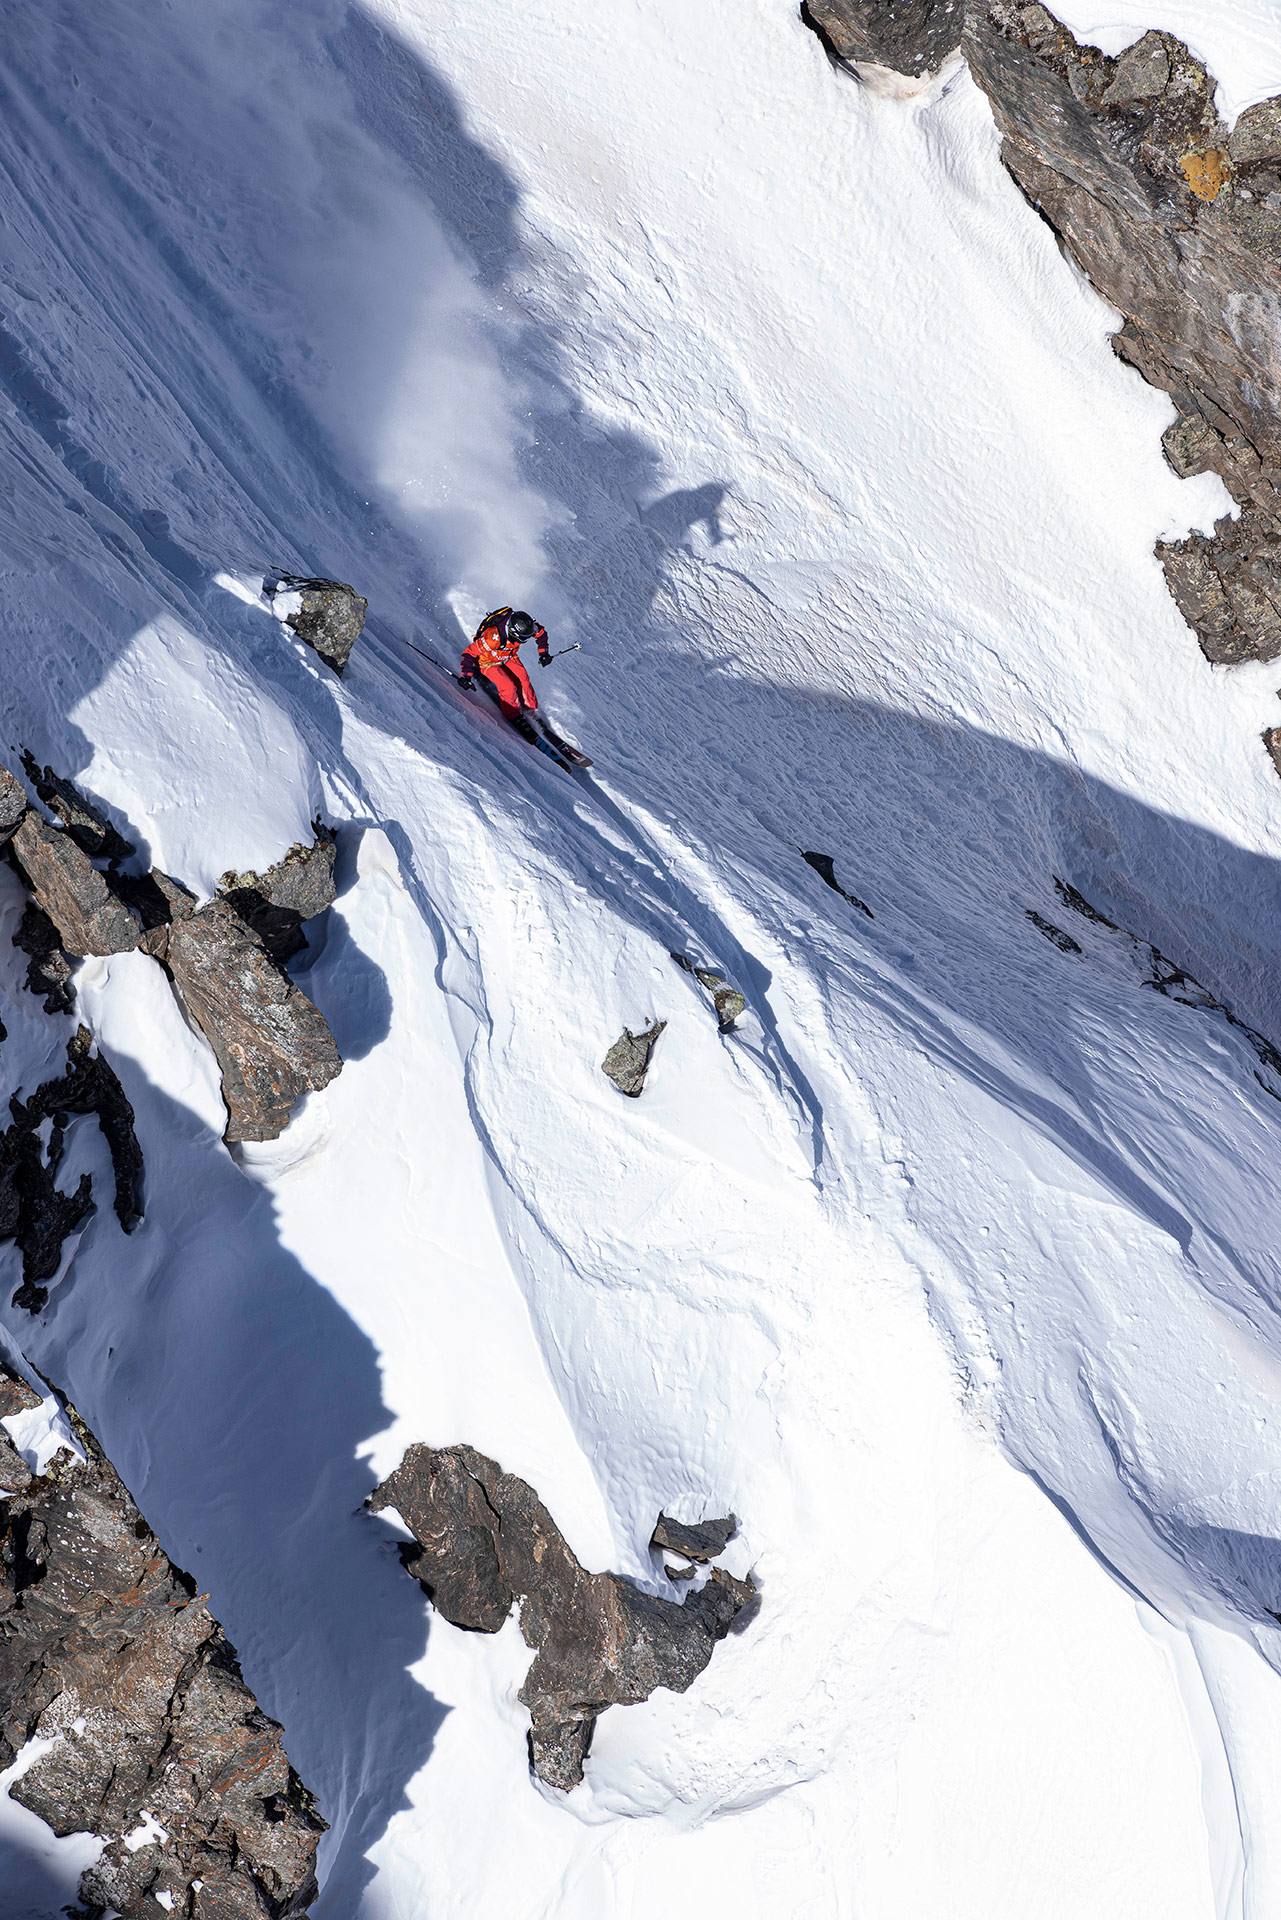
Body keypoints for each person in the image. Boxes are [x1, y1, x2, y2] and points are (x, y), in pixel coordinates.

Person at [460, 608, 552, 740]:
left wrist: (544, 653)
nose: (525, 640)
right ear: (512, 632)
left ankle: (531, 710)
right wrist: (466, 676)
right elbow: (469, 653)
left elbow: (541, 633)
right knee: (508, 687)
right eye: (523, 638)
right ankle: (513, 715)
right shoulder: (492, 638)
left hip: (509, 656)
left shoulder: (526, 627)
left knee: (523, 679)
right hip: (488, 662)